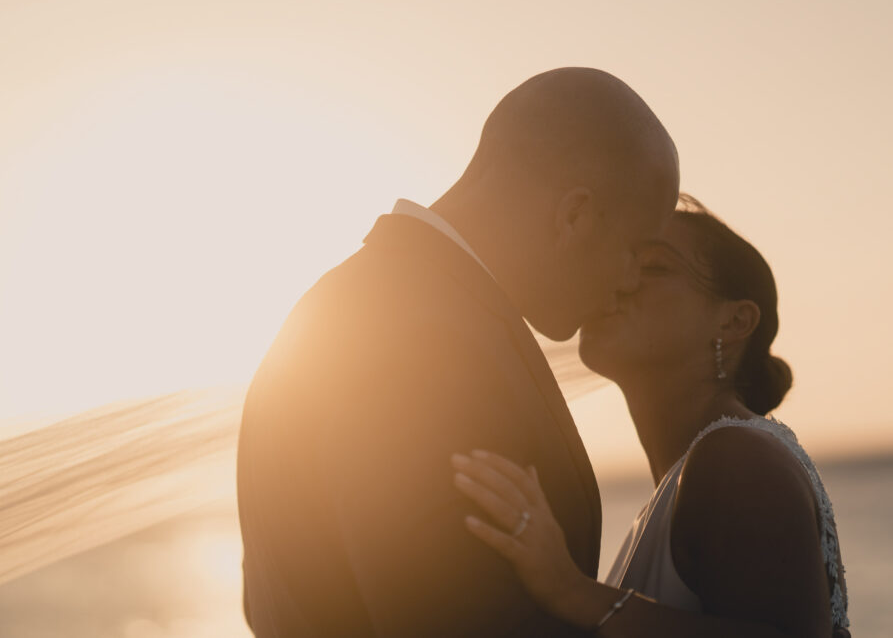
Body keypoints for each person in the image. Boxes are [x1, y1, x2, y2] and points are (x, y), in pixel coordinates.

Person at [235, 67, 680, 636]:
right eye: (635, 250)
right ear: (574, 216)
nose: (630, 281)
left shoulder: (340, 306)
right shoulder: (420, 339)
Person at [451, 197, 851, 637]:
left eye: (654, 268)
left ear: (735, 321)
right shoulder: (699, 470)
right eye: (620, 262)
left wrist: (572, 591)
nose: (619, 282)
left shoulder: (738, 459)